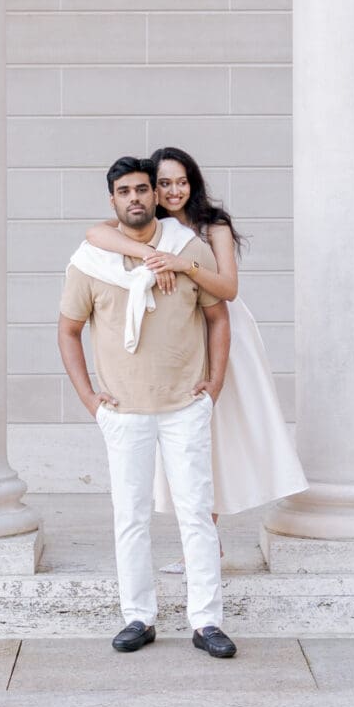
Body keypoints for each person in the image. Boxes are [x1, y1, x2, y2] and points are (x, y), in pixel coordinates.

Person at [83, 147, 306, 568]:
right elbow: (95, 234)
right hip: (176, 334)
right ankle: (206, 546)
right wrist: (151, 256)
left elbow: (228, 289)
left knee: (216, 432)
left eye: (181, 182)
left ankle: (207, 541)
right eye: (164, 183)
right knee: (191, 443)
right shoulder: (149, 227)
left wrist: (183, 264)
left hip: (221, 330)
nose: (174, 191)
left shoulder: (212, 225)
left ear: (193, 183)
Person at [57, 156, 237, 659]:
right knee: (131, 517)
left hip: (185, 406)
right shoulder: (91, 261)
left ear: (155, 196)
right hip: (124, 412)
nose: (134, 198)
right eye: (124, 191)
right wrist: (90, 399)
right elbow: (68, 331)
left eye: (142, 189)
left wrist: (214, 386)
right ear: (112, 200)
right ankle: (138, 617)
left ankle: (207, 622)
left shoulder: (187, 249)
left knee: (196, 515)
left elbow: (219, 316)